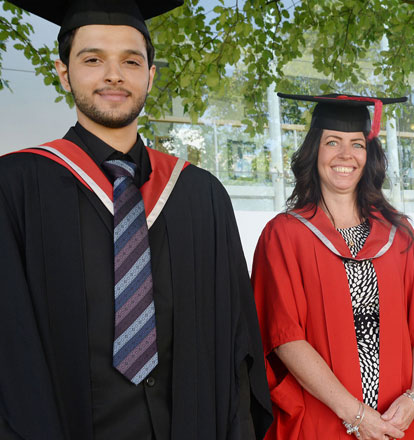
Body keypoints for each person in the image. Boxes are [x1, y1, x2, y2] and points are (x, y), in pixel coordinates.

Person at [0, 0, 272, 438]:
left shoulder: (200, 196)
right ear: (63, 72)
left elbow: (236, 350)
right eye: (93, 59)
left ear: (150, 75)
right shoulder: (14, 189)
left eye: (131, 60)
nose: (114, 74)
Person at [251, 93, 414, 440]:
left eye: (357, 144)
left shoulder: (398, 234)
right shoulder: (284, 235)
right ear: (313, 152)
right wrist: (356, 414)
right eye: (332, 142)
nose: (345, 155)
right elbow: (284, 337)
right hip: (323, 422)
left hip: (405, 423)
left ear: (370, 155)